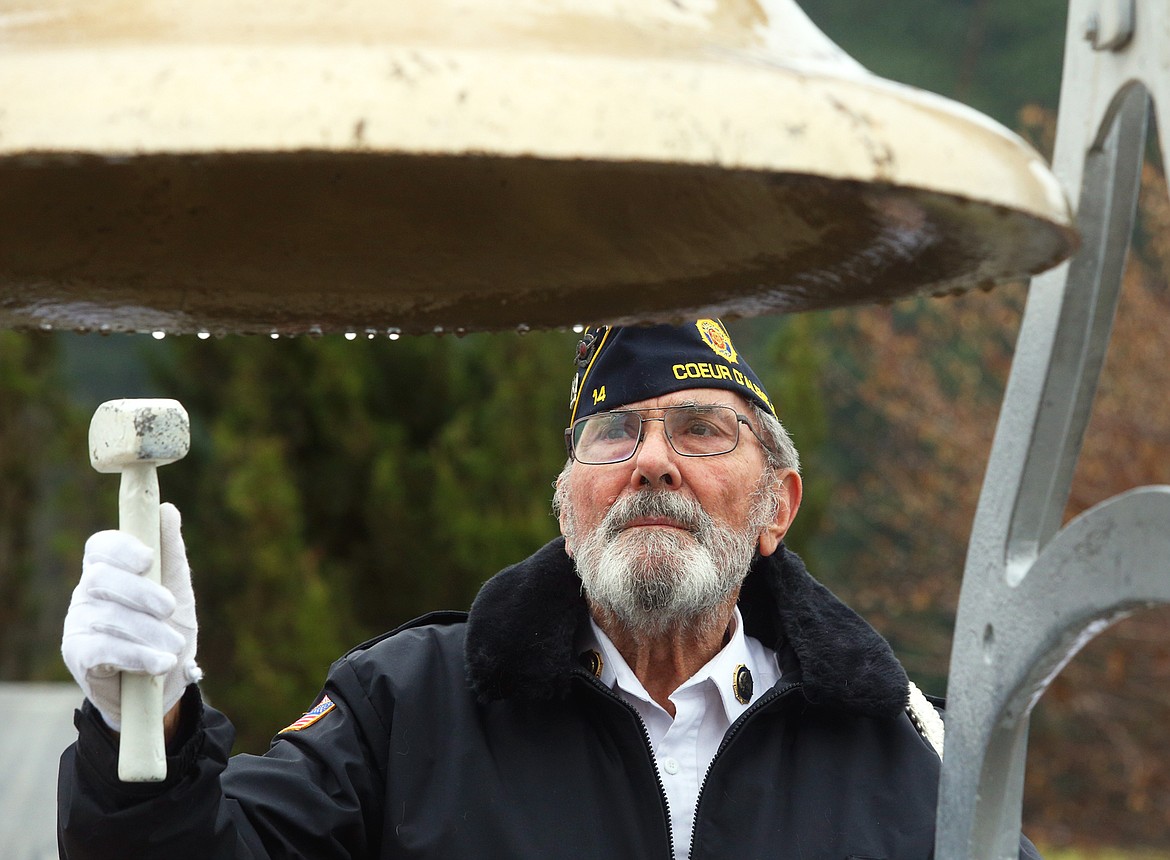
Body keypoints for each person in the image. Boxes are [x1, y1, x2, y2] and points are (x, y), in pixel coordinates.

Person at [58, 320, 1041, 859]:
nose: (652, 460)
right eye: (615, 434)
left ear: (776, 503)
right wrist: (145, 724)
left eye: (701, 428)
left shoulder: (911, 751)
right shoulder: (408, 710)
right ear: (570, 502)